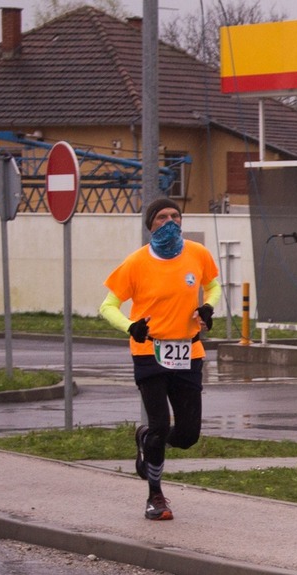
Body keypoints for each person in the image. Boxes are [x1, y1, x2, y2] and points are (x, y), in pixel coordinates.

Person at [99, 197, 222, 521]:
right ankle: (155, 496)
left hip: (188, 352)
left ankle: (147, 439)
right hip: (149, 352)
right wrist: (131, 326)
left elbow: (213, 286)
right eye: (162, 217)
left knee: (188, 435)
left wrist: (208, 307)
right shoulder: (136, 262)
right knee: (159, 424)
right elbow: (108, 306)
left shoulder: (198, 253)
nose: (170, 221)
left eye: (175, 216)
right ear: (150, 224)